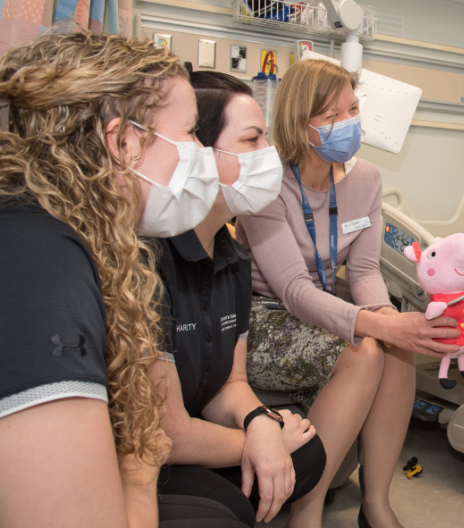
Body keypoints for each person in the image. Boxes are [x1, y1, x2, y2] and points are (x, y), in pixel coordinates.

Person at [0, 32, 243, 527]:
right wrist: (140, 460)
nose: (201, 153)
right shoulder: (34, 265)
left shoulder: (29, 226)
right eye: (192, 133)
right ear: (123, 141)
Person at [236, 58, 461, 528]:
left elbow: (361, 270)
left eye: (353, 109)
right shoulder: (265, 184)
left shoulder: (366, 181)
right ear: (300, 123)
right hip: (265, 316)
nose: (349, 123)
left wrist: (389, 319)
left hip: (326, 306)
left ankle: (376, 504)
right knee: (364, 352)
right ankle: (307, 512)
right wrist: (379, 323)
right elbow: (295, 291)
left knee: (395, 349)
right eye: (332, 115)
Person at [152, 71, 328, 526]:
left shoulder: (232, 257)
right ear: (198, 153)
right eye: (252, 141)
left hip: (196, 426)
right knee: (227, 507)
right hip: (148, 446)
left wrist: (260, 423)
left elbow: (229, 384)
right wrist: (262, 439)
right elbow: (165, 432)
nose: (269, 155)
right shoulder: (153, 258)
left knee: (307, 457)